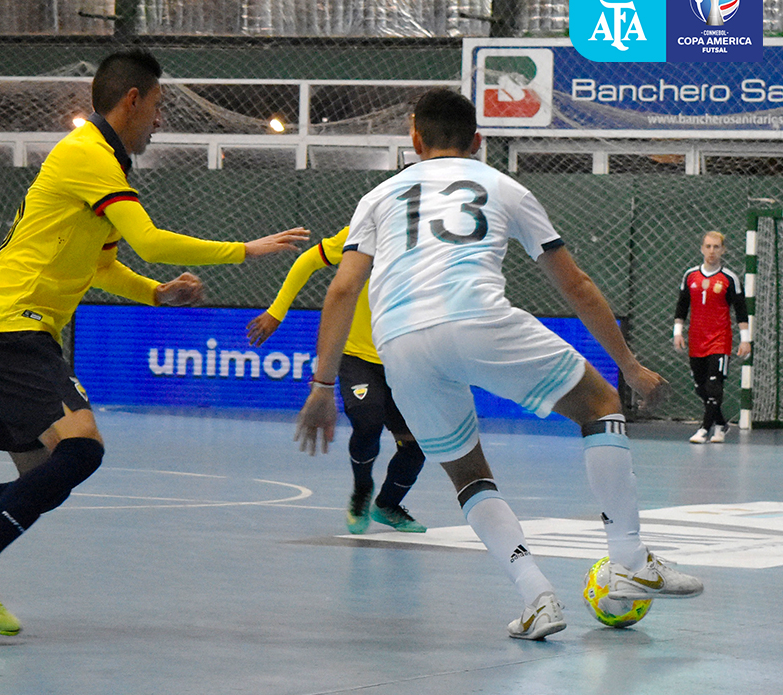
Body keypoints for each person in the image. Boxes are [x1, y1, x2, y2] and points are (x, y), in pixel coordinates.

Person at [0, 48, 309, 636]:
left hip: (6, 328)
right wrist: (243, 251)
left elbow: (106, 267)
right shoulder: (88, 155)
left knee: (43, 478)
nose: (160, 119)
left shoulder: (103, 167)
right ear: (133, 100)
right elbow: (147, 240)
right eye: (158, 106)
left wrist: (157, 295)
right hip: (10, 326)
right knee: (82, 451)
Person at [294, 89, 703, 641]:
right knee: (601, 404)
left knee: (468, 475)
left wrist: (322, 386)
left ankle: (536, 595)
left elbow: (342, 290)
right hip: (477, 317)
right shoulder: (505, 186)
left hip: (400, 345)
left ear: (414, 139)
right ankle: (628, 557)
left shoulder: (378, 197)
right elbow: (576, 286)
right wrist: (629, 366)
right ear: (479, 142)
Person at [247, 226, 426, 534]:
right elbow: (306, 261)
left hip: (406, 359)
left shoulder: (443, 239)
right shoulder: (371, 227)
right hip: (356, 355)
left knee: (417, 446)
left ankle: (387, 505)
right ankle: (361, 492)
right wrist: (277, 312)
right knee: (367, 421)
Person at [673, 231, 750, 444]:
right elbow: (682, 306)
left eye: (716, 247)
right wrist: (677, 333)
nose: (712, 251)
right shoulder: (690, 276)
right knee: (701, 387)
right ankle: (721, 423)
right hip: (697, 339)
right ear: (701, 248)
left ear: (723, 250)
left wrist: (745, 339)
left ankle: (704, 429)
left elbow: (741, 311)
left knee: (714, 386)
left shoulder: (729, 278)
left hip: (720, 339)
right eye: (708, 246)